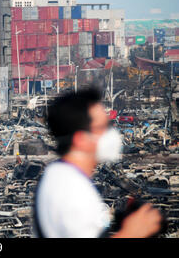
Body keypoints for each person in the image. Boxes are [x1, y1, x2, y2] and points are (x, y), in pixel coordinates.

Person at [34, 88, 162, 238]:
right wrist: (131, 233)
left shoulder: (57, 176)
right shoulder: (74, 191)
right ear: (81, 139)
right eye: (102, 128)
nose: (111, 134)